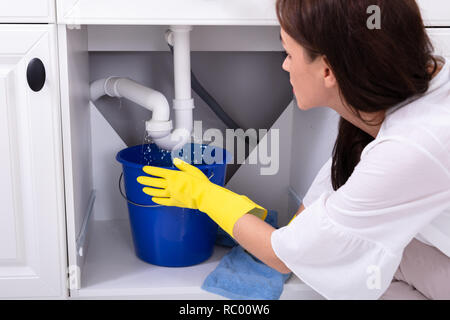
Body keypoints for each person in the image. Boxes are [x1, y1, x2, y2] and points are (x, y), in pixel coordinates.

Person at [137, 0, 450, 300]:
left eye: (288, 53)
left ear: (327, 70)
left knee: (356, 266)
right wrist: (249, 214)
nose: (285, 65)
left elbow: (285, 256)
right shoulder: (396, 89)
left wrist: (206, 196)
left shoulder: (411, 146)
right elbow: (313, 222)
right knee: (370, 264)